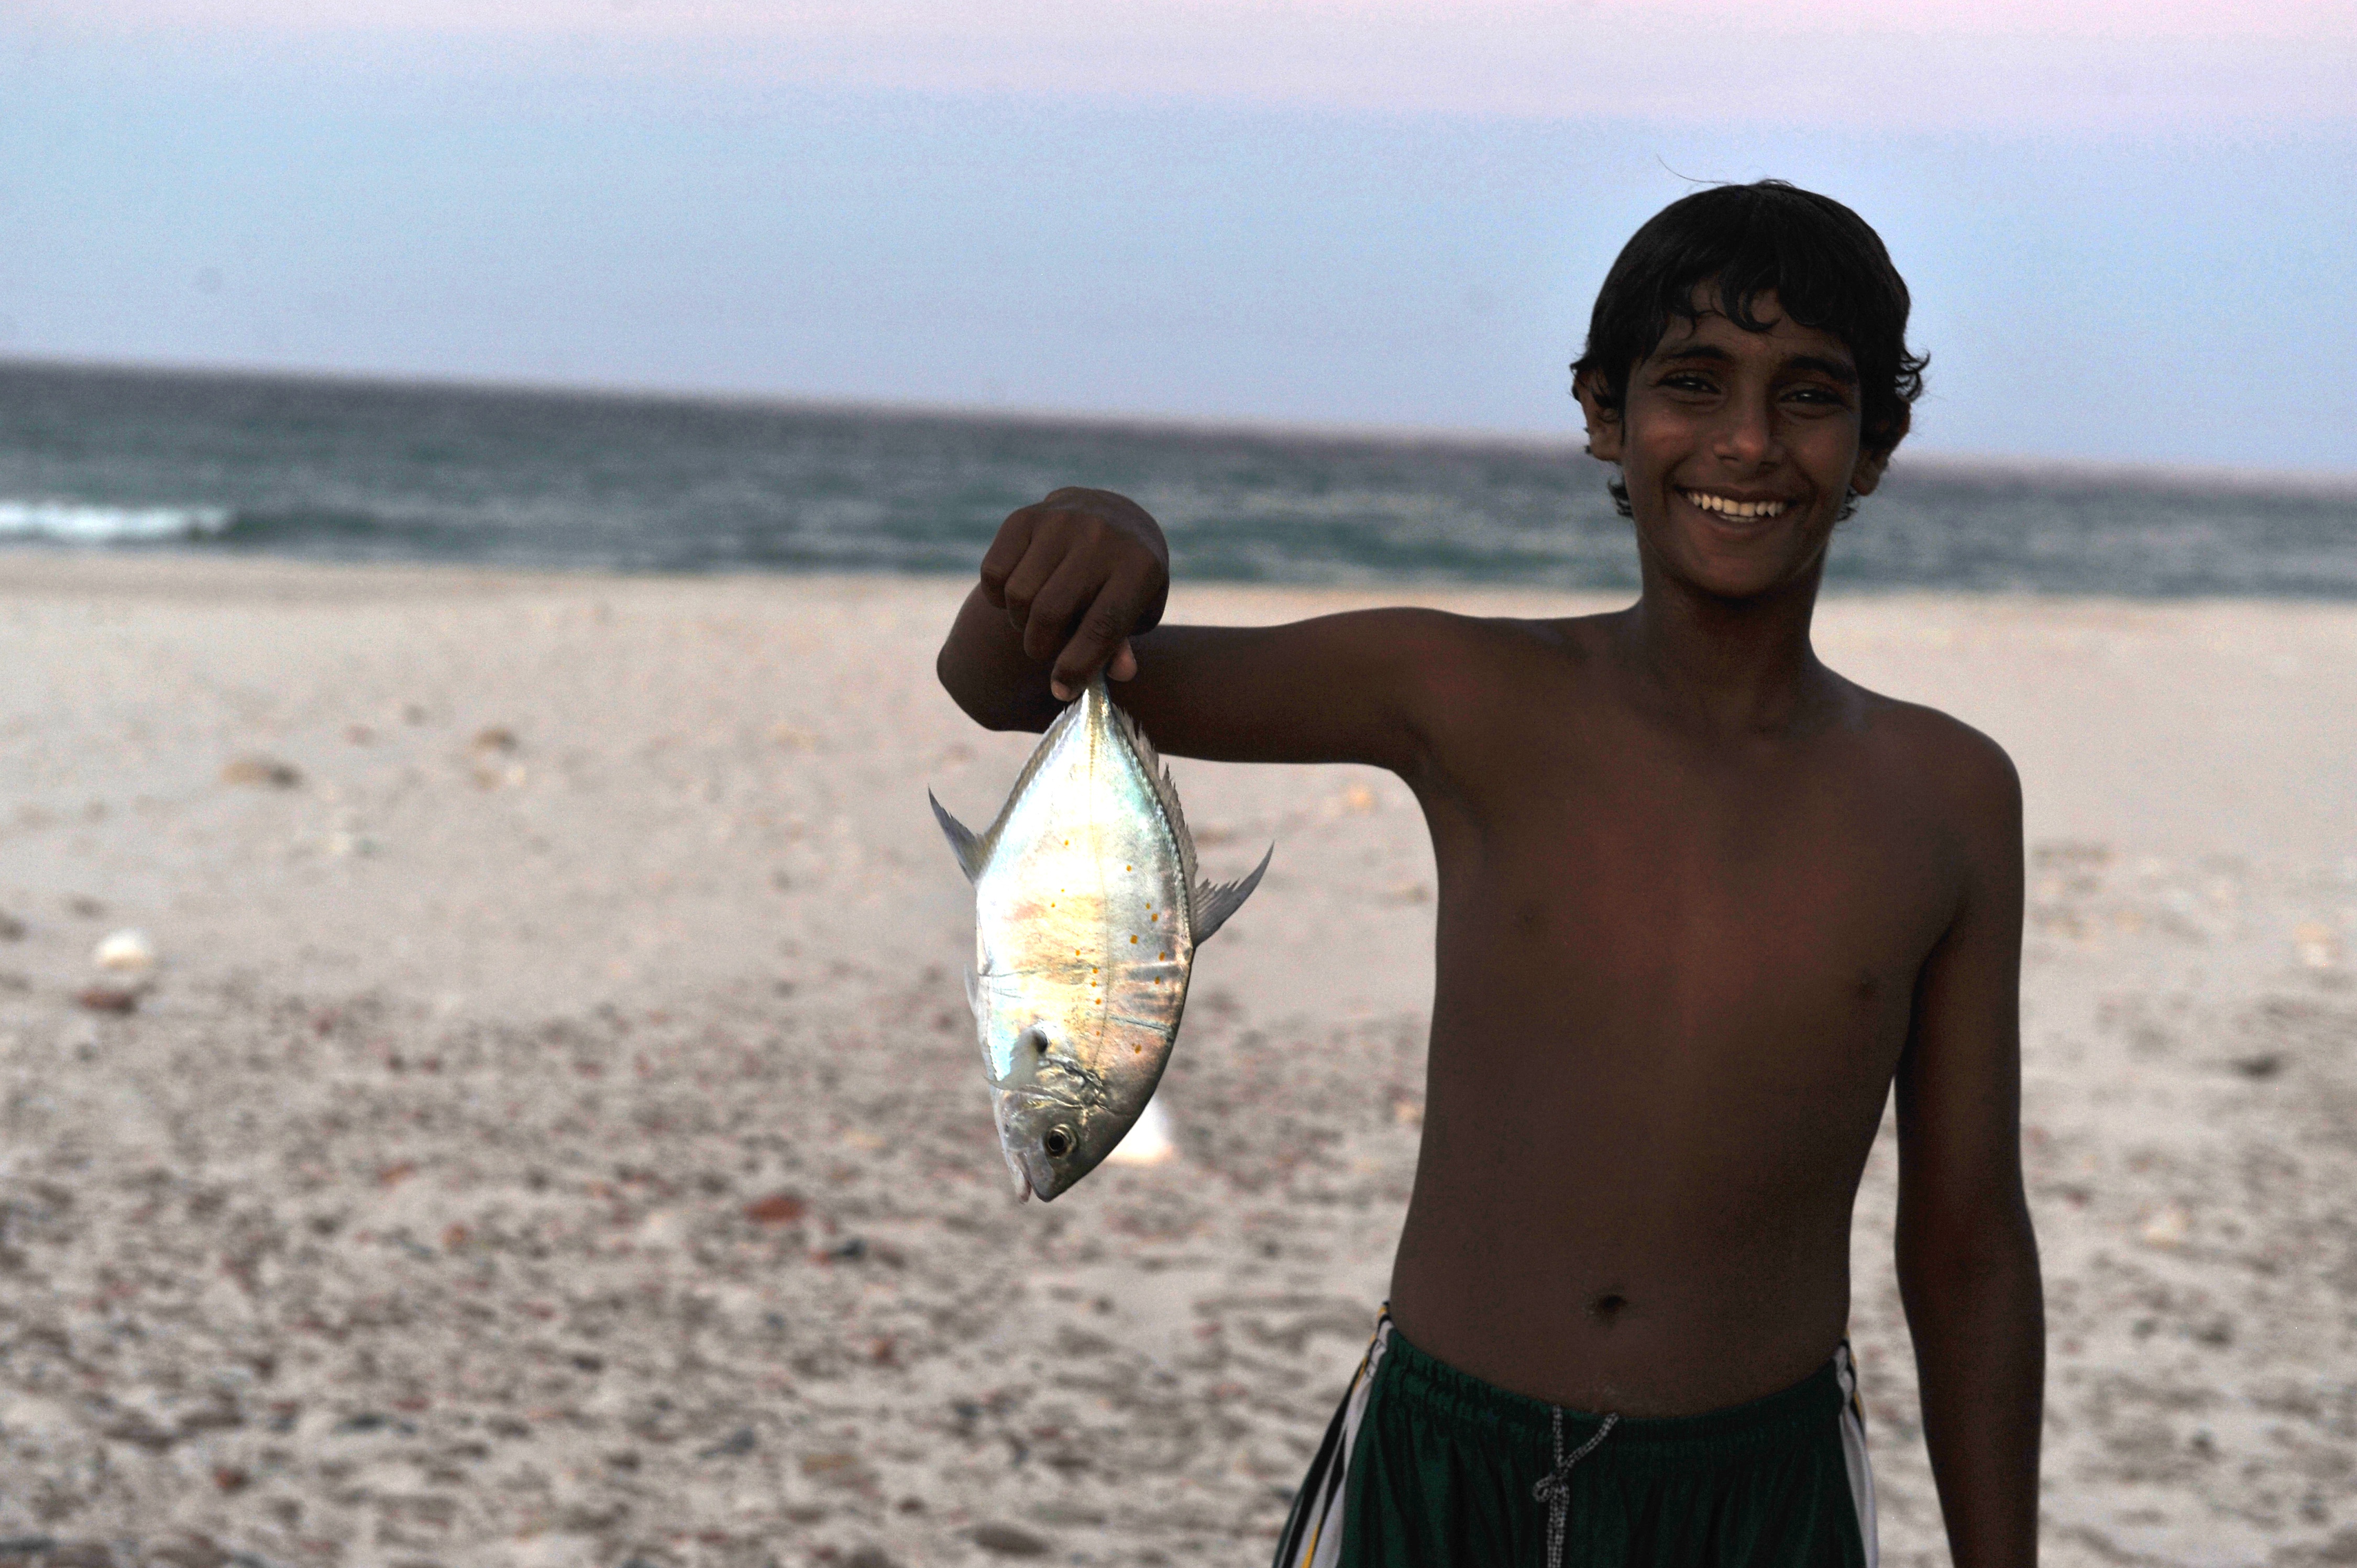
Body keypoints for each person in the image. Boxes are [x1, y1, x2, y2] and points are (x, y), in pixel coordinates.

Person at [934, 181, 2043, 1568]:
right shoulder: (1460, 692)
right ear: (1603, 415)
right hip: (1442, 1458)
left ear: (1874, 444)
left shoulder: (1942, 794)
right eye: (1692, 383)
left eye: (1808, 396)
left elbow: (1967, 1242)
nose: (1747, 440)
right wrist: (1096, 538)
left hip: (1757, 1490)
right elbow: (1001, 688)